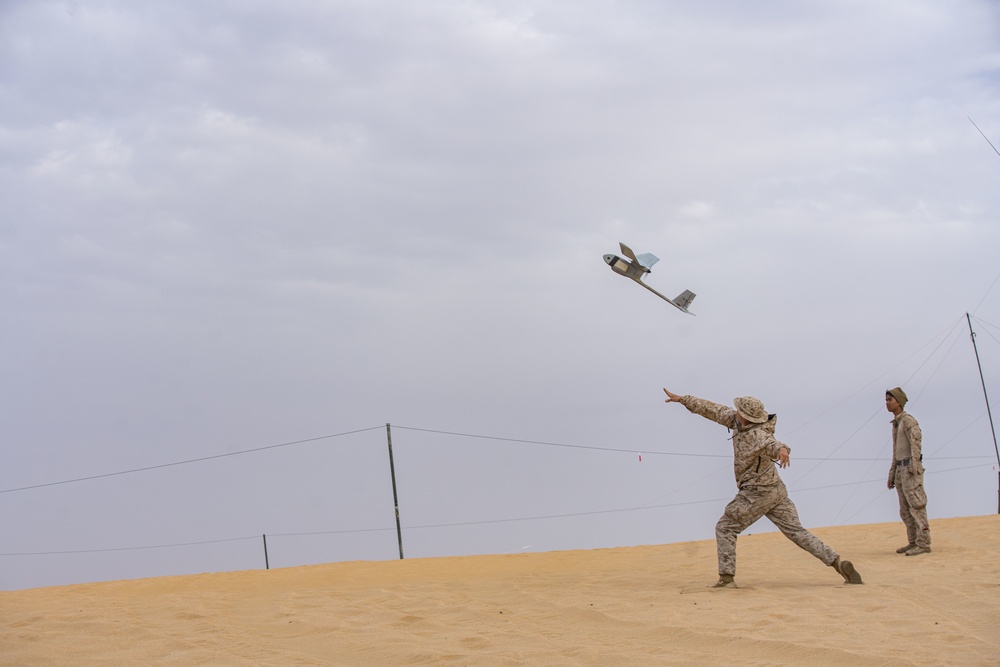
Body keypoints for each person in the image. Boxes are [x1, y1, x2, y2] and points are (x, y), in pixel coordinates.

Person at [662, 388, 863, 588]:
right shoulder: (735, 421)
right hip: (776, 491)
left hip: (757, 493)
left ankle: (726, 579)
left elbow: (774, 445)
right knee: (797, 532)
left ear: (746, 416)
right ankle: (838, 564)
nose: (735, 411)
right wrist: (683, 399)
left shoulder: (759, 435)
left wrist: (783, 451)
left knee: (725, 527)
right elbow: (712, 409)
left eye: (739, 410)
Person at [885, 387, 930, 555]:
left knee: (917, 506)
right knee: (905, 509)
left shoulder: (909, 421)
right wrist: (892, 474)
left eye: (890, 400)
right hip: (900, 469)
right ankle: (913, 541)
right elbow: (896, 451)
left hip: (909, 469)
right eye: (886, 400)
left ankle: (924, 543)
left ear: (899, 401)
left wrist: (915, 468)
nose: (887, 403)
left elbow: (916, 444)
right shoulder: (897, 423)